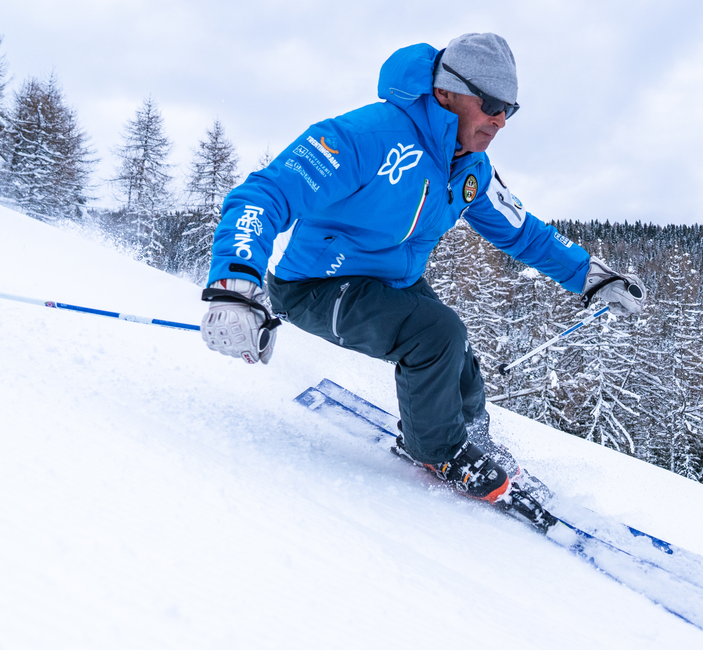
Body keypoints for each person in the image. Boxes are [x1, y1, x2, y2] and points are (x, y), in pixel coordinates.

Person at [199, 33, 645, 505]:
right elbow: (265, 194)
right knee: (435, 335)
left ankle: (470, 434)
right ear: (446, 92)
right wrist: (234, 283)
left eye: (509, 109)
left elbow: (523, 231)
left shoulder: (470, 168)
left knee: (458, 358)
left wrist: (593, 277)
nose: (499, 120)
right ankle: (436, 450)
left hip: (392, 281)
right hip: (316, 285)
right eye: (490, 103)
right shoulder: (366, 135)